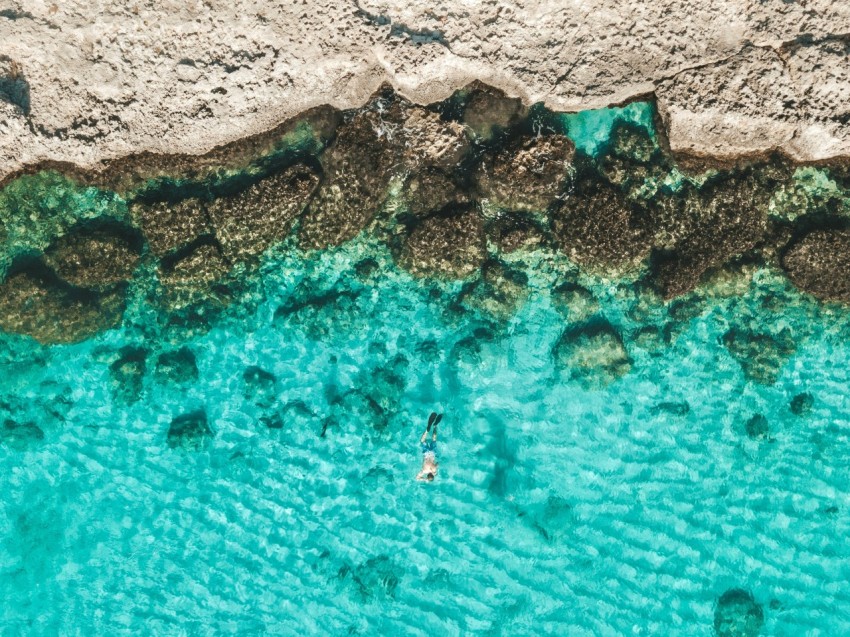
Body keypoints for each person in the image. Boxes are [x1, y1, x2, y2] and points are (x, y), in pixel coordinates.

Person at [416, 412, 442, 482]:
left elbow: (438, 463)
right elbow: (417, 478)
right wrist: (425, 480)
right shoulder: (424, 471)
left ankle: (435, 426)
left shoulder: (434, 469)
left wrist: (435, 470)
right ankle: (427, 431)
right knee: (422, 441)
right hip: (426, 453)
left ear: (432, 475)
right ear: (427, 476)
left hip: (432, 453)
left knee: (434, 440)